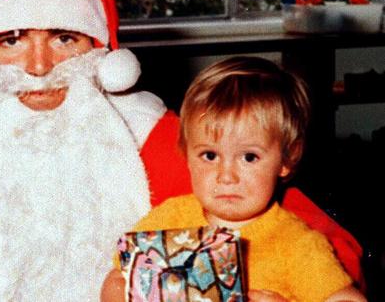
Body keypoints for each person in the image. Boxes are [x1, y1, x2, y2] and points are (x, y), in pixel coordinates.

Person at [0, 0, 362, 300]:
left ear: (102, 52)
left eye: (64, 38)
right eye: (11, 40)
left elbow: (329, 248)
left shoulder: (148, 133)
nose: (38, 66)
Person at [101, 56, 365, 302]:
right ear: (187, 155)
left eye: (249, 157)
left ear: (286, 159)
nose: (226, 176)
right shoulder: (167, 219)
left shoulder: (297, 245)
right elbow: (116, 278)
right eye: (209, 155)